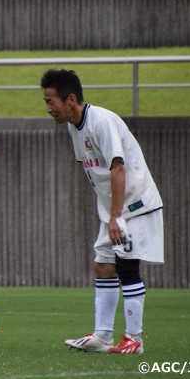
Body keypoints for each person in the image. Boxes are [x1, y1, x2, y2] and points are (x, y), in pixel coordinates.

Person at [40, 69, 164, 354]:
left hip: (134, 207)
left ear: (71, 99)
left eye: (51, 101)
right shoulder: (75, 126)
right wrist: (109, 214)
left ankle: (135, 339)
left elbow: (117, 167)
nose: (48, 108)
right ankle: (103, 335)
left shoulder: (101, 121)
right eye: (45, 102)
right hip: (114, 210)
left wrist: (117, 216)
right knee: (103, 265)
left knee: (126, 265)